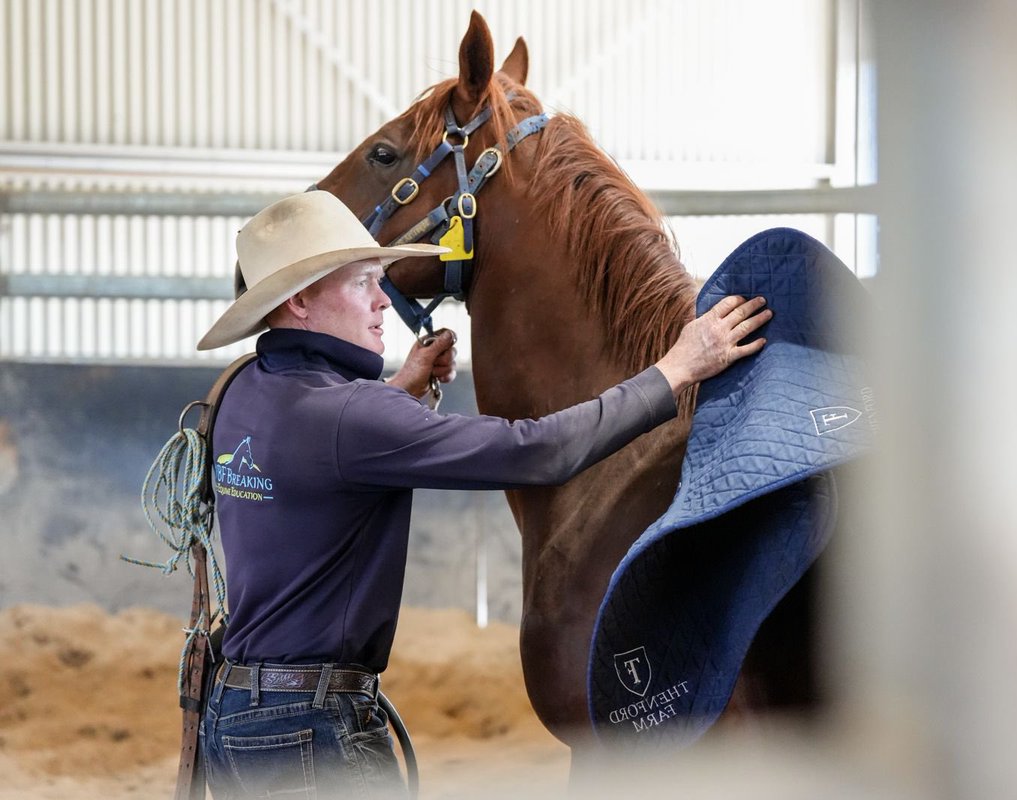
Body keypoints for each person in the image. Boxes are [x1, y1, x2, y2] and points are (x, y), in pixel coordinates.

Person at [194, 191, 771, 798]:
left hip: (231, 717)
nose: (382, 300)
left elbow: (315, 452)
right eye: (362, 282)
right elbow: (538, 451)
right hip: (309, 729)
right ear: (300, 301)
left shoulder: (240, 389)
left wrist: (400, 392)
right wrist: (676, 369)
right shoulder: (352, 418)